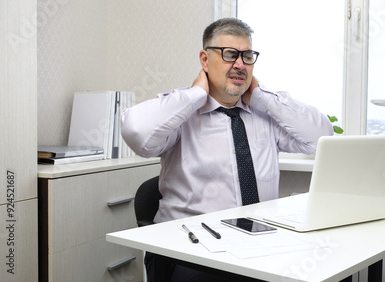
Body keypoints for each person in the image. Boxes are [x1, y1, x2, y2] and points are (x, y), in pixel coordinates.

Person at [121, 17, 334, 282]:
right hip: (192, 249)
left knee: (324, 268)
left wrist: (261, 96)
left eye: (247, 56)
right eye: (230, 54)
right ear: (205, 59)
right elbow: (136, 132)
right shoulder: (182, 116)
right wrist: (196, 94)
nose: (239, 64)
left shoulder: (264, 116)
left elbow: (321, 138)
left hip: (259, 246)